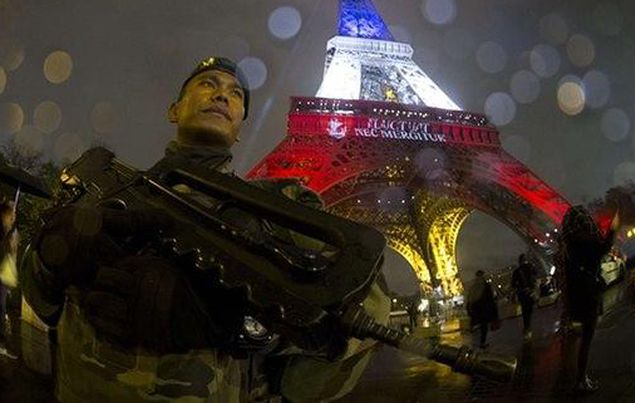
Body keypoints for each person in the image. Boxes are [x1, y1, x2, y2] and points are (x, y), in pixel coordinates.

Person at [21, 57, 390, 402]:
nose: (221, 95)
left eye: (235, 94)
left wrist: (237, 323)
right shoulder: (106, 191)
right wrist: (49, 257)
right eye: (208, 84)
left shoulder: (284, 205)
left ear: (241, 126)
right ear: (174, 110)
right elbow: (38, 302)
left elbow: (370, 303)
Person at [560, 205, 619, 393]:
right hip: (589, 294)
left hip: (574, 298)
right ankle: (581, 379)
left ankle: (571, 376)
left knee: (576, 339)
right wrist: (613, 228)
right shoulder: (588, 241)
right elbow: (604, 248)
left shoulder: (568, 246)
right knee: (587, 339)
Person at [0, 200, 18, 359]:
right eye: (12, 212)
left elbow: (11, 256)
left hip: (4, 277)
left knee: (2, 308)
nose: (14, 215)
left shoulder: (11, 232)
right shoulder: (3, 232)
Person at [467, 270, 499, 349]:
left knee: (479, 326)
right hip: (484, 309)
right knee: (484, 327)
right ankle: (482, 343)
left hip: (476, 311)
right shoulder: (486, 286)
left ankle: (476, 344)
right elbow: (491, 298)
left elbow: (470, 300)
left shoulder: (473, 287)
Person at [511, 254, 538, 341]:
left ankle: (527, 329)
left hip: (522, 294)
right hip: (531, 292)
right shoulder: (531, 267)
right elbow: (535, 278)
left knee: (525, 311)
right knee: (529, 311)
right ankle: (528, 328)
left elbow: (513, 284)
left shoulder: (517, 271)